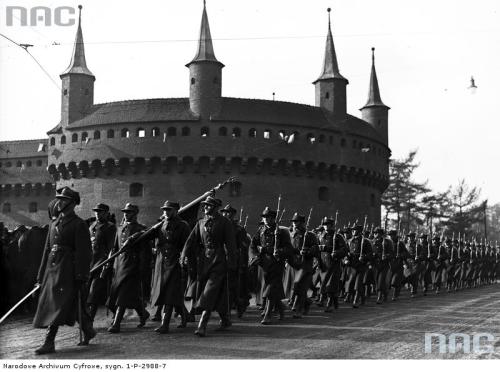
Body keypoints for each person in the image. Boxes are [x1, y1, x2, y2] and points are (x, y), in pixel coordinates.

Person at [33, 187, 95, 354]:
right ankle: (88, 330)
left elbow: (84, 252)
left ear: (72, 204)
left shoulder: (79, 224)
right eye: (58, 198)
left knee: (59, 304)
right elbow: (47, 251)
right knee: (66, 304)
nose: (59, 202)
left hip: (67, 270)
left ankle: (49, 342)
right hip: (51, 270)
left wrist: (81, 274)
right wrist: (40, 276)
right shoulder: (53, 223)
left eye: (63, 199)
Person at [180, 196, 237, 337]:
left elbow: (231, 245)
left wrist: (232, 263)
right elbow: (190, 241)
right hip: (204, 262)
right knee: (215, 293)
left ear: (216, 207)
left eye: (208, 205)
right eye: (204, 205)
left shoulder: (225, 222)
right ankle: (225, 320)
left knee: (209, 292)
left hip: (219, 261)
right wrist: (183, 256)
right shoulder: (200, 222)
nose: (205, 208)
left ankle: (202, 325)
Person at [106, 203, 150, 333]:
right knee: (122, 295)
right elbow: (115, 248)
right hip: (120, 265)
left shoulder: (141, 229)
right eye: (125, 212)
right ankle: (143, 312)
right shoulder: (119, 228)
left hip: (132, 266)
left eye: (129, 212)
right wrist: (110, 262)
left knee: (123, 295)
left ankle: (116, 323)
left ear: (135, 214)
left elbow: (145, 251)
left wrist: (143, 268)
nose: (126, 214)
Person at [249, 206, 293, 325]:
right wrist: (256, 256)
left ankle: (268, 315)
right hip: (264, 265)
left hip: (277, 264)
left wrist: (280, 251)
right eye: (264, 217)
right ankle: (281, 310)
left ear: (274, 219)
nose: (266, 219)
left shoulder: (281, 232)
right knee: (273, 289)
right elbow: (253, 245)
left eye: (268, 217)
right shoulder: (261, 230)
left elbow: (289, 248)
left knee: (270, 290)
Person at [220, 204, 251, 318]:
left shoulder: (239, 229)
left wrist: (242, 263)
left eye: (228, 213)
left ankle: (238, 304)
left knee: (232, 286)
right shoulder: (221, 226)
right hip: (222, 258)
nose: (225, 214)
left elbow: (243, 246)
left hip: (235, 260)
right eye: (224, 212)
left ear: (233, 215)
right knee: (224, 285)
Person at [87, 203, 116, 320]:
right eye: (96, 211)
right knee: (96, 292)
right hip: (91, 263)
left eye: (100, 212)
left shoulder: (110, 227)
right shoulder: (92, 226)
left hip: (102, 262)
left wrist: (107, 263)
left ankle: (90, 320)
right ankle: (116, 309)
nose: (97, 214)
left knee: (94, 291)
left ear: (106, 213)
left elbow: (112, 247)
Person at [288, 213, 319, 318]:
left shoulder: (309, 235)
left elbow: (316, 249)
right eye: (293, 222)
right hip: (293, 264)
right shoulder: (290, 234)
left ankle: (299, 310)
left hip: (304, 266)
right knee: (294, 288)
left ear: (301, 223)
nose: (294, 224)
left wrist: (307, 251)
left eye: (296, 222)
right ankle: (306, 302)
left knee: (300, 288)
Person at [316, 217, 347, 312]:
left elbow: (344, 250)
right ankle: (335, 301)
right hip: (324, 264)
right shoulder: (320, 236)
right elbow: (317, 249)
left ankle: (329, 304)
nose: (326, 226)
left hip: (334, 264)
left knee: (331, 285)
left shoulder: (337, 237)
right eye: (325, 224)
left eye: (328, 224)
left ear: (332, 225)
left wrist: (336, 253)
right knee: (324, 285)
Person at [372, 228, 394, 304]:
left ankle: (379, 297)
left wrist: (386, 256)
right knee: (376, 280)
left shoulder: (387, 242)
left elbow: (392, 254)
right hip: (375, 264)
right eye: (374, 233)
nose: (375, 234)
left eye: (377, 233)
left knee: (381, 280)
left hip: (384, 264)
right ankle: (385, 293)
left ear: (381, 234)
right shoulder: (372, 242)